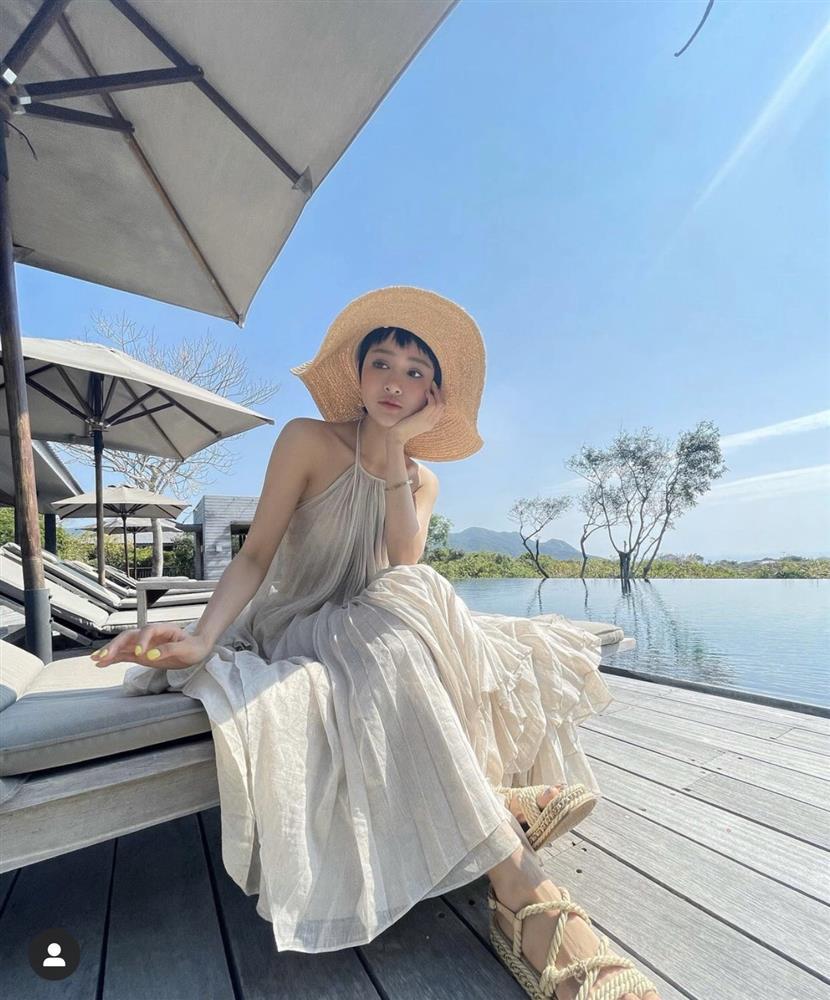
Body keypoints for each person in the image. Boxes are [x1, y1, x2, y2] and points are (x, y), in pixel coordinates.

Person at [91, 287, 659, 999]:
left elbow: (400, 561)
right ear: (356, 375)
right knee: (408, 611)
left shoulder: (423, 480)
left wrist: (392, 452)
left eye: (416, 371)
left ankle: (490, 811)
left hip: (381, 625)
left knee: (424, 597)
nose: (395, 381)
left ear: (433, 395)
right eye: (382, 362)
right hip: (300, 623)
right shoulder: (306, 440)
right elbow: (256, 554)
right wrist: (204, 637)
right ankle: (519, 883)